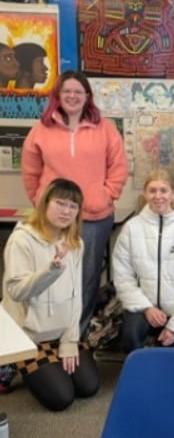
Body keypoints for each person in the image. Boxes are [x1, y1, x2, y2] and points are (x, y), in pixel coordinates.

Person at [21, 70, 129, 335]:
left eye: (78, 92)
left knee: (86, 278)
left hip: (94, 217)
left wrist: (106, 194)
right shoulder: (41, 129)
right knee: (51, 275)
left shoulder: (105, 128)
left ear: (87, 97)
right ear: (58, 95)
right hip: (53, 221)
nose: (72, 96)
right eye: (67, 91)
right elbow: (31, 171)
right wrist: (40, 201)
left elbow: (118, 166)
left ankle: (76, 336)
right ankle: (49, 335)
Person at [2, 178, 99, 411]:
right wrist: (51, 270)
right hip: (30, 336)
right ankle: (12, 364)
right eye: (60, 203)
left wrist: (69, 341)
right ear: (45, 203)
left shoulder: (75, 242)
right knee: (61, 398)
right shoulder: (22, 239)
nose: (67, 211)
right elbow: (16, 291)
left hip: (60, 332)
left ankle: (49, 361)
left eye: (73, 206)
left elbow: (77, 297)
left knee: (88, 387)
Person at [112, 169, 174, 353]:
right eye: (152, 190)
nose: (158, 196)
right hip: (142, 307)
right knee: (129, 336)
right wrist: (147, 308)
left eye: (163, 190)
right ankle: (139, 378)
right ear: (144, 194)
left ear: (173, 193)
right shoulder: (132, 228)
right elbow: (122, 277)